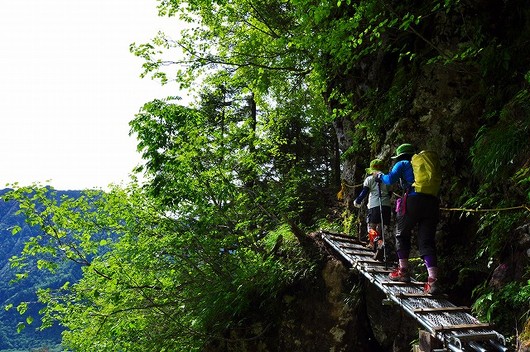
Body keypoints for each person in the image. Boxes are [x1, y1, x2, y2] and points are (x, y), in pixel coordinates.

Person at [373, 143, 441, 294]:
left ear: (400, 156)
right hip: (432, 202)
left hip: (412, 201)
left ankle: (403, 271)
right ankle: (432, 281)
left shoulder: (402, 163)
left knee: (402, 234)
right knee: (427, 241)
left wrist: (379, 176)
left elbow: (390, 180)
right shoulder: (425, 165)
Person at [353, 159, 391, 257]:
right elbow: (390, 192)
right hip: (386, 205)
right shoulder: (387, 179)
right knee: (380, 227)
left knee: (371, 226)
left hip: (374, 205)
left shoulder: (369, 179)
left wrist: (357, 201)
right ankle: (377, 245)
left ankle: (376, 242)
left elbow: (364, 192)